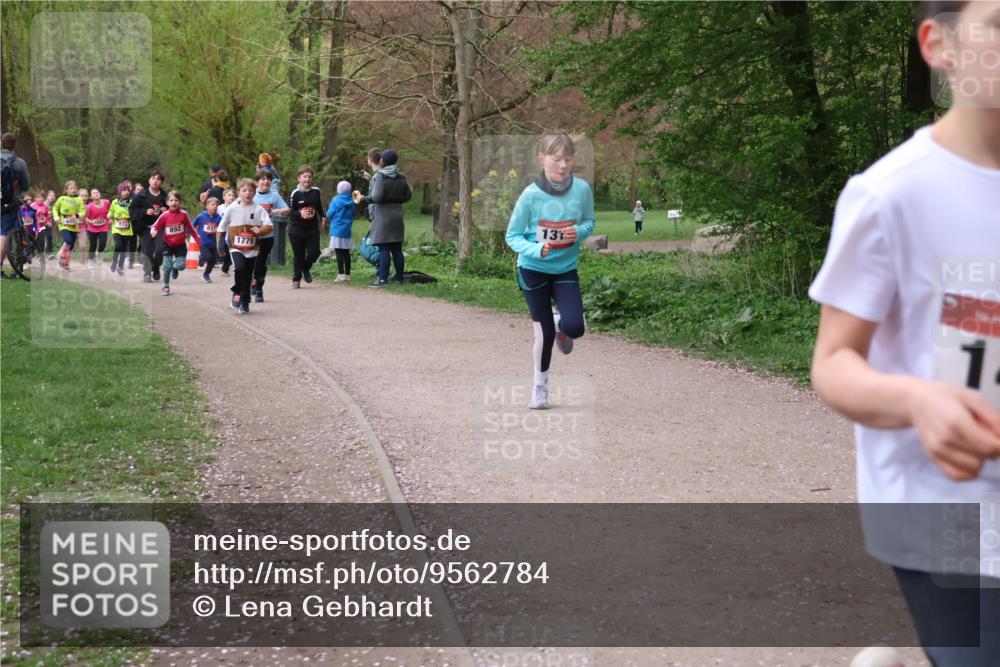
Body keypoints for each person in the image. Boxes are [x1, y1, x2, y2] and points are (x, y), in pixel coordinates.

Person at [810, 3, 1000, 666]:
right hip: (947, 509)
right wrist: (920, 400)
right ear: (939, 44)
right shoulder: (891, 196)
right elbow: (834, 360)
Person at [505, 132, 594, 410]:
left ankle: (562, 325)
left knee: (576, 327)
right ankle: (540, 388)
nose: (563, 165)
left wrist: (578, 232)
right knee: (543, 334)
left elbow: (589, 221)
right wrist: (535, 249)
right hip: (533, 270)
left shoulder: (582, 190)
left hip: (565, 269)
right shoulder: (530, 195)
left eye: (568, 159)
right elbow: (512, 236)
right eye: (557, 159)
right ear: (542, 159)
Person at [216, 178, 272, 314]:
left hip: (252, 248)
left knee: (248, 275)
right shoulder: (231, 209)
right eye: (244, 190)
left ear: (254, 193)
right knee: (239, 268)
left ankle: (245, 301)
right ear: (238, 192)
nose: (247, 193)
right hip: (235, 246)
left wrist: (261, 230)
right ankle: (237, 292)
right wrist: (220, 246)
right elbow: (221, 227)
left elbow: (269, 225)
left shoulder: (258, 209)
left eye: (251, 191)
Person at [359, 148, 411, 287]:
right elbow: (408, 196)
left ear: (384, 161)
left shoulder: (381, 176)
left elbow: (376, 197)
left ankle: (382, 279)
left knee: (384, 249)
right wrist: (396, 201)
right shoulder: (401, 176)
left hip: (383, 215)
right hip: (397, 215)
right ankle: (399, 278)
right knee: (397, 249)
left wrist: (363, 198)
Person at [149, 190, 197, 296]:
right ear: (167, 202)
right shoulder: (164, 215)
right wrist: (154, 231)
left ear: (180, 202)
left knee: (181, 266)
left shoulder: (184, 214)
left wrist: (197, 239)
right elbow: (155, 226)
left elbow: (190, 227)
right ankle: (165, 286)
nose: (174, 202)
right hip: (168, 245)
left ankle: (175, 268)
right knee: (167, 266)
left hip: (180, 245)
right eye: (171, 200)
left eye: (176, 200)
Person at [250, 170, 289, 302]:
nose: (266, 181)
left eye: (268, 179)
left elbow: (287, 210)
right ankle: (253, 281)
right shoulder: (251, 195)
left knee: (261, 262)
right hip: (251, 236)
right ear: (256, 182)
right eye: (262, 179)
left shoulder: (274, 196)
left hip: (267, 235)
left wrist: (278, 211)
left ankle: (259, 289)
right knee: (252, 262)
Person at [287, 165, 324, 288]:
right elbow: (290, 211)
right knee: (299, 255)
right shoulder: (295, 193)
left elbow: (319, 206)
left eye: (309, 177)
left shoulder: (316, 191)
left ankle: (305, 268)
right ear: (299, 178)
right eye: (304, 177)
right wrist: (300, 213)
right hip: (296, 228)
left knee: (315, 252)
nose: (307, 179)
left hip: (312, 227)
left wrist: (323, 216)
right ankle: (296, 279)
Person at [1, 133, 32, 279]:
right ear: (15, 145)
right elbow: (25, 185)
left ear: (1, 143)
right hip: (9, 202)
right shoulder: (18, 162)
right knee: (4, 233)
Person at [129, 171, 168, 283]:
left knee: (160, 249)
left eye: (158, 179)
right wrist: (145, 211)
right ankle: (147, 273)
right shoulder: (141, 195)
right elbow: (131, 210)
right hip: (145, 227)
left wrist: (166, 210)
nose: (155, 181)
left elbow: (173, 207)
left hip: (160, 227)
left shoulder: (165, 196)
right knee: (147, 251)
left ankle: (156, 266)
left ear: (161, 182)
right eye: (153, 178)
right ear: (149, 180)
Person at [52, 180, 86, 271]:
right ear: (66, 190)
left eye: (75, 188)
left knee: (71, 246)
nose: (73, 190)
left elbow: (83, 211)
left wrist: (77, 215)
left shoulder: (79, 199)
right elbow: (55, 208)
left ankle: (65, 263)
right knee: (68, 240)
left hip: (74, 225)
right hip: (63, 224)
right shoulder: (62, 198)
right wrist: (56, 217)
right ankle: (61, 254)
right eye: (71, 188)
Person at [325, 180, 355, 282]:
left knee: (338, 253)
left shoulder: (335, 200)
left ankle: (341, 274)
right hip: (347, 230)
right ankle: (348, 275)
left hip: (336, 229)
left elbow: (329, 214)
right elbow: (353, 213)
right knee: (346, 253)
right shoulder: (352, 201)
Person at [193, 196, 222, 283]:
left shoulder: (219, 218)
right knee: (207, 256)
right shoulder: (201, 216)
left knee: (213, 260)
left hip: (213, 243)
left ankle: (206, 275)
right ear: (206, 206)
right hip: (203, 242)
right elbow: (192, 225)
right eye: (213, 204)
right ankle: (202, 258)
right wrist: (193, 233)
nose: (215, 206)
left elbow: (221, 228)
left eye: (216, 205)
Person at [108, 182, 134, 275]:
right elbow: (110, 212)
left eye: (128, 190)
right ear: (120, 192)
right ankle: (114, 261)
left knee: (123, 248)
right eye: (124, 190)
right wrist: (109, 218)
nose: (126, 192)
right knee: (118, 245)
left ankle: (120, 266)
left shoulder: (131, 202)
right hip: (117, 228)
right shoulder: (114, 202)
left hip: (127, 229)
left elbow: (134, 213)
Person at [84, 188, 110, 267]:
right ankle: (91, 260)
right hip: (92, 228)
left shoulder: (106, 202)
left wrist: (110, 218)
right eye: (94, 193)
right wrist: (91, 221)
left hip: (103, 226)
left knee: (103, 243)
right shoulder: (89, 206)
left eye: (97, 192)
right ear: (91, 197)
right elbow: (85, 218)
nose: (96, 194)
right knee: (93, 246)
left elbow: (111, 211)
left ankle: (99, 253)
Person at [217, 187, 236, 276]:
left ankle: (227, 268)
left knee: (230, 251)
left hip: (232, 233)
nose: (231, 197)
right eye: (229, 195)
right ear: (224, 197)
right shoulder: (219, 208)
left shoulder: (236, 207)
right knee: (222, 250)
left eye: (233, 195)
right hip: (222, 233)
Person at [31, 190, 53, 258]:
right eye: (38, 197)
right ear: (35, 198)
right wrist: (36, 214)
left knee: (42, 241)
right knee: (33, 242)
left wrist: (48, 221)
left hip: (41, 226)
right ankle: (29, 254)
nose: (40, 199)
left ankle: (41, 255)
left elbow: (46, 215)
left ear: (43, 198)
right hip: (33, 227)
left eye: (41, 197)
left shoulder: (45, 206)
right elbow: (28, 215)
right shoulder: (32, 206)